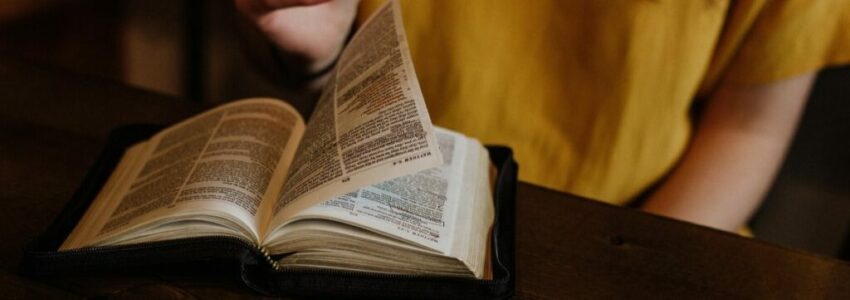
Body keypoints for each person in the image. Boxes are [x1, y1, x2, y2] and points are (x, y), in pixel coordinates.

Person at [234, 0, 850, 232]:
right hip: (371, 223)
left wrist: (619, 272)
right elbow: (305, 54)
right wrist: (314, 53)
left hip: (640, 236)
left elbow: (749, 127)